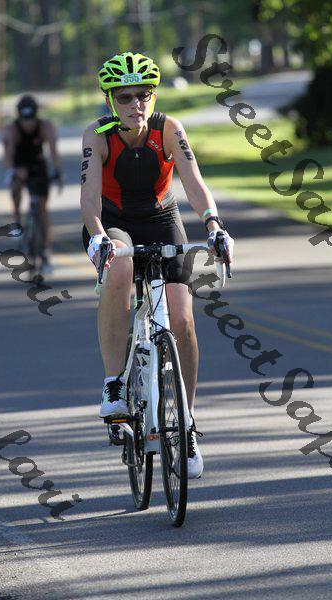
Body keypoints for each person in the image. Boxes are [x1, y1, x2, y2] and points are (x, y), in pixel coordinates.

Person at [80, 52, 234, 478]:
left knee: (182, 321)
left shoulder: (169, 129)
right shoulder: (97, 134)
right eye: (124, 97)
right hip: (112, 223)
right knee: (120, 268)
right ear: (110, 100)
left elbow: (194, 183)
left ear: (154, 96)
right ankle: (114, 383)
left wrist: (214, 225)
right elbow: (89, 200)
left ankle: (186, 424)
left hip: (162, 219)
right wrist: (98, 236)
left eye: (144, 95)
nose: (136, 104)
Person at [2, 94, 63, 273]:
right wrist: (13, 172)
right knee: (15, 188)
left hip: (37, 165)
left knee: (42, 209)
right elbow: (8, 156)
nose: (28, 124)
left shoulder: (45, 126)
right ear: (19, 117)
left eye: (31, 119)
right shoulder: (11, 130)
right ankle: (17, 219)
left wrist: (57, 172)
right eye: (25, 120)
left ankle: (45, 251)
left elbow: (53, 152)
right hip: (18, 164)